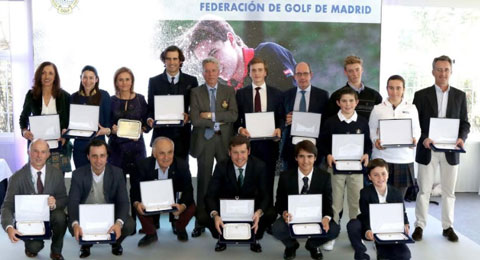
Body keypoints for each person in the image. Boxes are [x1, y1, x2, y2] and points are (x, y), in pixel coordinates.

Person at [411, 55, 470, 242]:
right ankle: (419, 226)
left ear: (451, 72)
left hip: (451, 151)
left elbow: (465, 123)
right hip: (428, 149)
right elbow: (415, 124)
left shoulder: (460, 96)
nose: (442, 73)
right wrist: (423, 138)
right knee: (423, 190)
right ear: (433, 71)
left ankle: (448, 227)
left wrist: (461, 138)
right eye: (439, 69)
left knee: (449, 192)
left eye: (446, 69)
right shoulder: (421, 95)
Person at [199, 135, 277, 253]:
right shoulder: (221, 166)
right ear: (229, 152)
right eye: (235, 152)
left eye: (243, 152)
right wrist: (215, 215)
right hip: (227, 209)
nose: (239, 157)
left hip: (251, 210)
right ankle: (221, 237)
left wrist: (259, 212)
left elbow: (266, 195)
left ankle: (255, 237)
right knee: (202, 215)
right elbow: (210, 195)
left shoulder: (259, 166)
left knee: (271, 212)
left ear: (249, 151)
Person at [189, 57, 238, 237]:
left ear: (219, 71)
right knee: (204, 182)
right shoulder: (195, 92)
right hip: (205, 141)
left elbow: (233, 115)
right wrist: (219, 118)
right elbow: (195, 119)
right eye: (207, 71)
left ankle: (226, 219)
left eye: (213, 70)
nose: (210, 74)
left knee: (226, 181)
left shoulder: (228, 90)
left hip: (224, 141)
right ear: (203, 73)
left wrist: (209, 115)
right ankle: (201, 221)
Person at [320, 87, 372, 249]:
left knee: (356, 203)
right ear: (338, 103)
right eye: (344, 101)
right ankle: (331, 235)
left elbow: (368, 144)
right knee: (335, 204)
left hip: (356, 170)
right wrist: (328, 154)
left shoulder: (363, 122)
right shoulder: (331, 122)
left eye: (351, 101)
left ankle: (356, 236)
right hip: (335, 170)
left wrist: (366, 154)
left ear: (356, 102)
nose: (347, 104)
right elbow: (323, 143)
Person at [186, 16, 296, 91]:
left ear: (231, 39)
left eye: (214, 53)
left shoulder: (268, 54)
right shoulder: (223, 89)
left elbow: (297, 100)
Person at [1, 139, 67, 260]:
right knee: (34, 248)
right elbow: (7, 205)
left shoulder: (57, 174)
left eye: (43, 152)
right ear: (28, 152)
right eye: (35, 151)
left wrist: (55, 203)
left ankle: (56, 251)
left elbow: (63, 198)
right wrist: (9, 227)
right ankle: (31, 245)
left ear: (48, 155)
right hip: (29, 219)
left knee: (61, 217)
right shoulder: (16, 177)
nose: (39, 156)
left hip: (51, 214)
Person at [272, 140, 339, 260]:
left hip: (316, 217)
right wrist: (284, 213)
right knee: (277, 229)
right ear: (296, 158)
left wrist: (326, 218)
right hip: (292, 217)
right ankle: (291, 246)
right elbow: (279, 203)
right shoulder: (285, 177)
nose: (305, 161)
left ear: (315, 158)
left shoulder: (324, 177)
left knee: (334, 229)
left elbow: (328, 204)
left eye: (309, 156)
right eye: (301, 156)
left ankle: (312, 245)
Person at [68, 140, 135, 258]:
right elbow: (73, 201)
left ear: (107, 156)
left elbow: (123, 201)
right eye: (94, 156)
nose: (98, 161)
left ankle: (115, 242)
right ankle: (85, 244)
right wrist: (75, 224)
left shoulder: (117, 173)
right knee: (71, 225)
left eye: (102, 156)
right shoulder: (78, 174)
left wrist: (118, 224)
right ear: (88, 157)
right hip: (86, 214)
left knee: (129, 224)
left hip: (109, 213)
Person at [235, 57, 283, 205]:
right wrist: (240, 129)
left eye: (260, 70)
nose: (257, 73)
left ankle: (267, 217)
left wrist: (279, 129)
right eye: (253, 70)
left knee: (268, 182)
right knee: (249, 182)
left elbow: (281, 118)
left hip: (270, 145)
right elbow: (236, 119)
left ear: (265, 72)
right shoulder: (241, 94)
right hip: (248, 146)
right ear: (249, 73)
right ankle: (250, 215)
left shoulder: (277, 94)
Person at [131, 137, 196, 246]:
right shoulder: (142, 165)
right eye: (162, 153)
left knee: (191, 206)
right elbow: (134, 191)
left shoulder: (182, 165)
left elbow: (188, 190)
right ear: (154, 153)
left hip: (174, 201)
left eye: (170, 152)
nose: (166, 157)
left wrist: (182, 207)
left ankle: (179, 227)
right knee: (138, 205)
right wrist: (137, 204)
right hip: (151, 202)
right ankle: (150, 233)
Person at [347, 158, 411, 260]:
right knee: (352, 225)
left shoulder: (396, 193)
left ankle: (382, 249)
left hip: (389, 227)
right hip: (370, 224)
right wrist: (368, 229)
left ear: (388, 174)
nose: (380, 178)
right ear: (369, 177)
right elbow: (365, 214)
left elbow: (402, 211)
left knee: (405, 255)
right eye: (375, 175)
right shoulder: (365, 192)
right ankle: (361, 254)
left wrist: (406, 223)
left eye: (383, 174)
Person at [108, 67, 149, 226]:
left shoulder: (140, 99)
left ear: (132, 81)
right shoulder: (111, 101)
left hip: (136, 148)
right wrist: (112, 129)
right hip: (116, 150)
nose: (124, 83)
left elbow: (147, 121)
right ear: (116, 82)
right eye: (120, 79)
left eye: (127, 79)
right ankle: (122, 221)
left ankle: (139, 222)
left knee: (137, 187)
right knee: (119, 187)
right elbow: (106, 123)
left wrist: (143, 128)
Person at [368, 75, 421, 197]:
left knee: (398, 199)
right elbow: (371, 129)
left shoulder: (412, 108)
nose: (395, 92)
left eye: (398, 88)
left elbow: (416, 129)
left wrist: (415, 139)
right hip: (382, 158)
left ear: (403, 89)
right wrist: (375, 140)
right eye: (391, 88)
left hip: (403, 159)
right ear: (387, 89)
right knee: (380, 197)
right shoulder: (378, 109)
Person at [146, 45, 199, 161]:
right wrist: (149, 119)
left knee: (182, 174)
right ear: (164, 61)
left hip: (182, 136)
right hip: (160, 135)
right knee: (158, 173)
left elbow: (196, 108)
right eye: (168, 59)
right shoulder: (154, 82)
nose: (172, 62)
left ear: (180, 61)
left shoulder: (192, 81)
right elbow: (150, 108)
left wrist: (189, 116)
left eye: (175, 59)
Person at [19, 61, 72, 172]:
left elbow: (71, 122)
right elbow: (23, 118)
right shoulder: (31, 95)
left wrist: (65, 136)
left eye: (50, 73)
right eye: (43, 73)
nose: (47, 76)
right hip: (37, 148)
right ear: (39, 75)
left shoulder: (65, 97)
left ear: (55, 77)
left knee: (57, 185)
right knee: (38, 183)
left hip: (58, 148)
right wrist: (24, 131)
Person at [280, 62, 329, 170]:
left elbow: (326, 122)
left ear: (311, 75)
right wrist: (285, 120)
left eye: (305, 74)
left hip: (314, 148)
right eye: (299, 74)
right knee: (291, 183)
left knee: (314, 184)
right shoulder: (286, 95)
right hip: (291, 148)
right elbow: (279, 118)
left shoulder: (322, 95)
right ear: (294, 76)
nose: (302, 77)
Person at [70, 65, 111, 168]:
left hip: (99, 146)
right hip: (80, 147)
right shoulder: (73, 97)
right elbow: (70, 123)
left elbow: (109, 121)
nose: (87, 81)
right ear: (81, 78)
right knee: (81, 178)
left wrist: (106, 130)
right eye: (85, 77)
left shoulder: (104, 96)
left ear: (96, 79)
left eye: (91, 78)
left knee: (99, 179)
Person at [325, 55, 382, 120]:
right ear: (345, 73)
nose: (355, 74)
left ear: (362, 70)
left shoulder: (375, 96)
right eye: (350, 71)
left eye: (357, 70)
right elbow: (330, 121)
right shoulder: (336, 96)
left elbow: (379, 120)